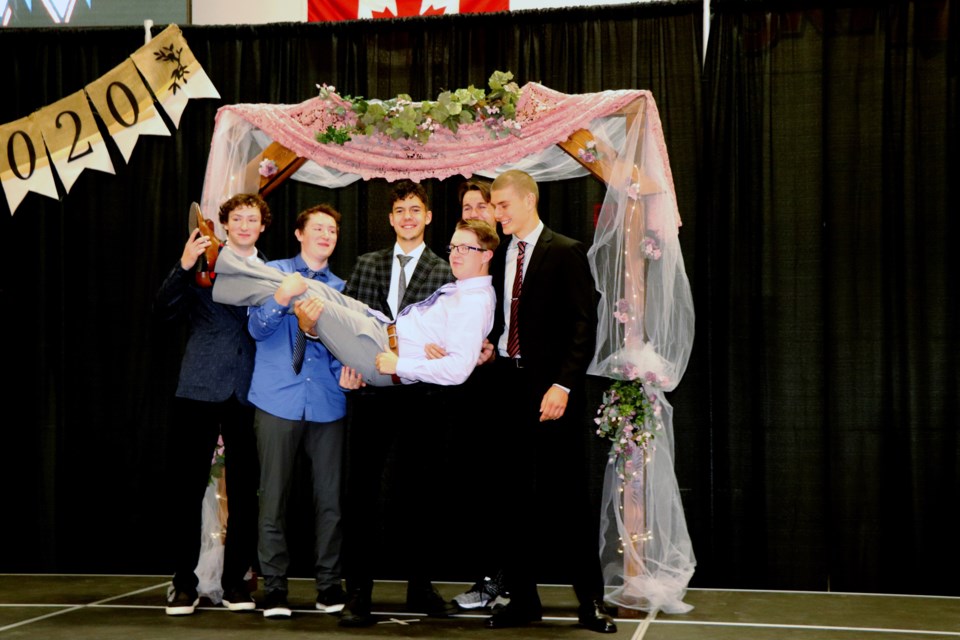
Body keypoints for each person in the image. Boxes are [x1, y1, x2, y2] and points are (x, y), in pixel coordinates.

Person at [483, 170, 617, 634]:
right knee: (512, 499)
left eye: (502, 206)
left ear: (527, 201)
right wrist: (489, 345)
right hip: (507, 386)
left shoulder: (565, 250)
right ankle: (523, 600)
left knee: (567, 499)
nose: (496, 214)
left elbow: (584, 324)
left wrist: (562, 385)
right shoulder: (500, 255)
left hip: (551, 392)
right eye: (493, 206)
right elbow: (503, 318)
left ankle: (590, 603)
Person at [339, 180, 459, 627]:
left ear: (428, 217)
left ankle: (420, 587)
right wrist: (348, 364)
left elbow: (453, 335)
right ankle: (359, 593)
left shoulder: (446, 271)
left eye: (415, 209)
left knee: (422, 494)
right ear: (390, 219)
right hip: (371, 394)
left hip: (424, 396)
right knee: (362, 493)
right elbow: (345, 320)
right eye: (400, 210)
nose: (408, 216)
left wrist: (443, 350)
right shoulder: (367, 264)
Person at [244, 204, 363, 620]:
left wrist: (351, 372)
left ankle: (329, 584)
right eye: (318, 228)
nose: (326, 234)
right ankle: (274, 588)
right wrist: (282, 298)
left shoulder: (341, 288)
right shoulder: (272, 271)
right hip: (277, 399)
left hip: (328, 403)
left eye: (332, 229)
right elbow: (257, 328)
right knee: (273, 498)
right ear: (299, 233)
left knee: (329, 501)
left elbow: (344, 349)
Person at [155, 193, 271, 616]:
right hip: (199, 387)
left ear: (262, 226)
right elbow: (163, 310)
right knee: (185, 488)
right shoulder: (201, 265)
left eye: (251, 218)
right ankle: (182, 582)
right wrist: (184, 265)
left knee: (245, 493)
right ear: (224, 225)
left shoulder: (273, 272)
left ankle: (236, 582)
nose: (244, 224)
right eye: (236, 218)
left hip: (249, 392)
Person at [212, 218, 497, 386]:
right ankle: (226, 269)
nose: (455, 254)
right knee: (309, 284)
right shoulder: (465, 292)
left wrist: (399, 366)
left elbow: (459, 370)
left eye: (466, 248)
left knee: (301, 292)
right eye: (454, 247)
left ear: (486, 255)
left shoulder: (475, 302)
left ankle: (223, 264)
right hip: (382, 329)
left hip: (382, 352)